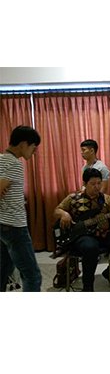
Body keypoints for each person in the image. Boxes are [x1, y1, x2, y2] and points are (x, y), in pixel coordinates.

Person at [54, 168, 110, 291]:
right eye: (93, 184)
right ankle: (87, 286)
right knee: (91, 247)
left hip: (103, 233)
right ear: (84, 183)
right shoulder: (73, 198)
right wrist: (64, 214)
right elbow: (57, 210)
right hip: (81, 235)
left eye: (99, 183)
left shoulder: (107, 199)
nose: (97, 186)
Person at [0, 125, 42, 292]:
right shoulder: (14, 164)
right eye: (33, 147)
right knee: (32, 275)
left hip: (2, 224)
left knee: (3, 270)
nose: (35, 151)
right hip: (14, 226)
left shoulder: (1, 159)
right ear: (24, 144)